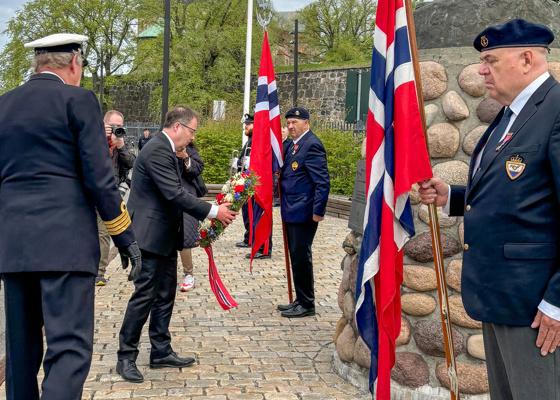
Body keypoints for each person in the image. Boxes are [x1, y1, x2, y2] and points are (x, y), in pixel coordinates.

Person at [418, 19, 560, 399]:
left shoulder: (556, 110)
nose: (481, 69)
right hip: (501, 296)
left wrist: (557, 303)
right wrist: (451, 195)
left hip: (536, 306)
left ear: (527, 59)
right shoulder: (511, 113)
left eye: (491, 60)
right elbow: (514, 195)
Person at [0, 33, 141, 400]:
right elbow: (99, 178)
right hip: (66, 245)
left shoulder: (4, 105)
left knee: (20, 355)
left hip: (14, 248)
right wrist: (125, 237)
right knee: (69, 350)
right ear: (74, 63)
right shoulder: (78, 100)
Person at [117, 106, 237, 383]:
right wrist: (213, 212)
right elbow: (173, 193)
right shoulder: (159, 149)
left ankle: (160, 350)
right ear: (178, 127)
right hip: (149, 235)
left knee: (165, 294)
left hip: (164, 234)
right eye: (192, 131)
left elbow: (186, 186)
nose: (192, 137)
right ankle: (126, 356)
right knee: (144, 296)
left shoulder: (166, 148)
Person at [277, 107, 330, 318]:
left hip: (304, 211)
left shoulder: (312, 144)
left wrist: (318, 211)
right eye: (288, 123)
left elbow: (322, 182)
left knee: (301, 257)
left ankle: (307, 303)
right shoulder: (295, 144)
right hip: (292, 209)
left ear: (306, 123)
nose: (290, 126)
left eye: (295, 123)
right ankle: (300, 298)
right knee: (296, 256)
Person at [96, 110, 136, 286]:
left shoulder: (124, 141)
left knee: (103, 234)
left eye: (119, 126)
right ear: (104, 124)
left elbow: (130, 163)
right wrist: (99, 137)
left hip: (110, 195)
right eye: (113, 126)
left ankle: (99, 273)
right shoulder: (93, 138)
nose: (116, 129)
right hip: (89, 193)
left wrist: (119, 145)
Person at [234, 113, 273, 259]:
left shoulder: (258, 140)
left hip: (256, 182)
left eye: (249, 124)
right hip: (249, 180)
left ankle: (260, 245)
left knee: (255, 214)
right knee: (248, 212)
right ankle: (251, 238)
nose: (246, 126)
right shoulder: (251, 140)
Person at [176, 141, 207, 292]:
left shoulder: (188, 148)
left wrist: (186, 158)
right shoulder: (161, 146)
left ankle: (188, 274)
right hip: (166, 197)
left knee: (184, 237)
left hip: (186, 195)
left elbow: (198, 168)